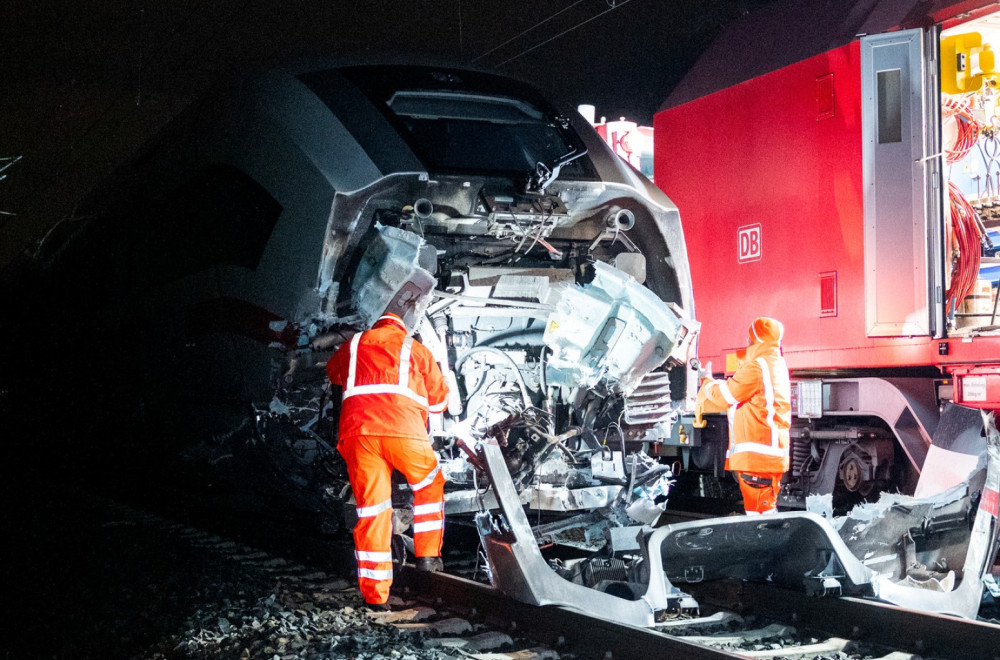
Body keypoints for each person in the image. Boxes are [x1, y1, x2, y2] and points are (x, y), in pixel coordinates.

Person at [326, 309, 450, 609]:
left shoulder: (355, 344)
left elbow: (333, 374)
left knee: (372, 511)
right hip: (404, 434)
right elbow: (440, 401)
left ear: (377, 323)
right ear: (403, 328)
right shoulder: (415, 348)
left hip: (361, 435)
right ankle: (428, 556)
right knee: (430, 486)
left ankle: (376, 596)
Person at [696, 317, 791, 514]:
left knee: (759, 517)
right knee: (764, 513)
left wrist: (706, 381)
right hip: (768, 455)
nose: (747, 342)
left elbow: (724, 396)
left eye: (750, 339)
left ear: (758, 340)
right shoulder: (775, 364)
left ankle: (766, 545)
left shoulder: (757, 367)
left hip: (758, 458)